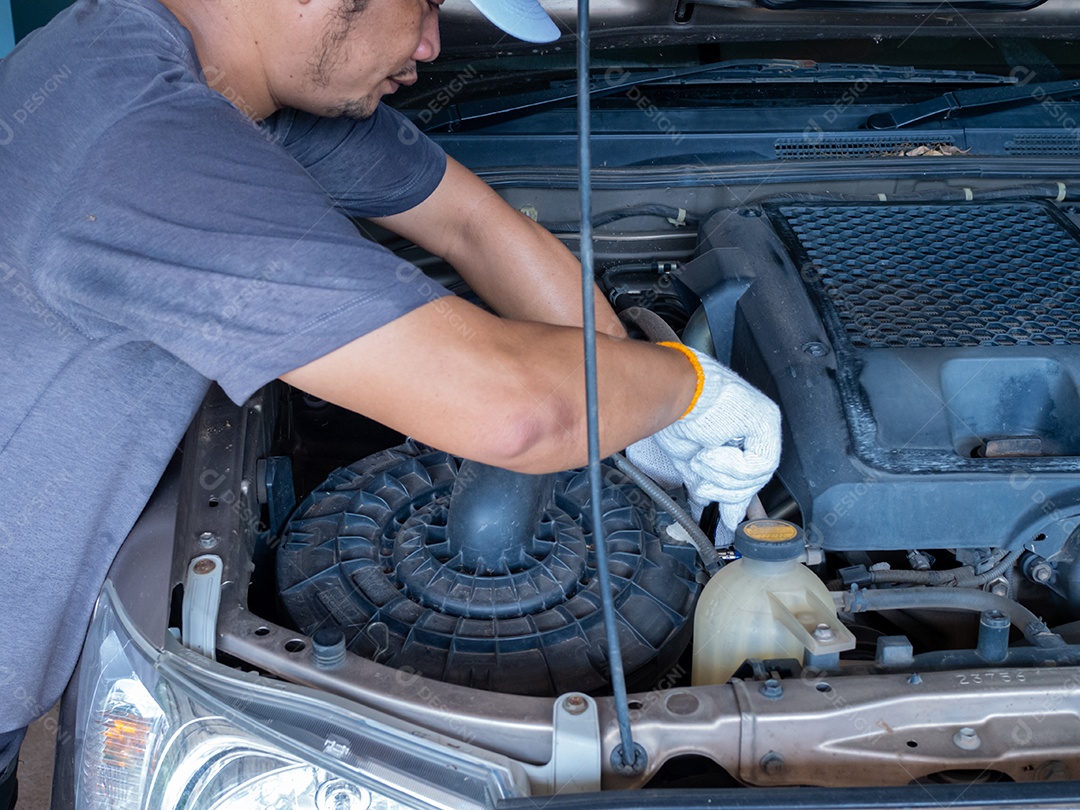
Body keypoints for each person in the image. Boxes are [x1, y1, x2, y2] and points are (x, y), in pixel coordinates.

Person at [0, 0, 780, 801]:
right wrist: (689, 388)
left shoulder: (203, 76)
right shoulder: (144, 141)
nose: (432, 46)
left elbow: (473, 225)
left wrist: (629, 404)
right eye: (427, 2)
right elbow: (514, 412)